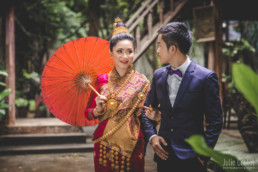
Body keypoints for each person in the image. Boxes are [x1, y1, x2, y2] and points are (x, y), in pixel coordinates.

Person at [139, 22, 223, 172]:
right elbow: (145, 111)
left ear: (172, 49)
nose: (157, 51)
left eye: (159, 45)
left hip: (193, 158)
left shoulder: (206, 77)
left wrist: (204, 153)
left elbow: (215, 121)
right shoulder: (158, 76)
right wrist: (152, 137)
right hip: (164, 155)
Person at [85, 17, 150, 172]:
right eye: (119, 51)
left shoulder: (142, 81)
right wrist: (98, 110)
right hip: (104, 142)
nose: (125, 56)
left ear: (134, 53)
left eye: (129, 51)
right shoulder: (101, 80)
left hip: (133, 143)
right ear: (111, 53)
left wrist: (155, 115)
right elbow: (88, 113)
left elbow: (147, 114)